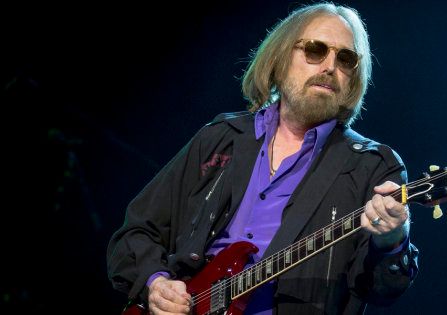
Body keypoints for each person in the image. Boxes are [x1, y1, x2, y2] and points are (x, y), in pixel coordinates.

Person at [107, 3, 419, 314]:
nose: (329, 67)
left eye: (345, 58)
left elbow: (381, 289)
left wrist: (392, 241)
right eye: (315, 50)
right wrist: (157, 283)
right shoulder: (220, 137)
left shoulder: (373, 167)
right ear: (281, 58)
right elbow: (136, 232)